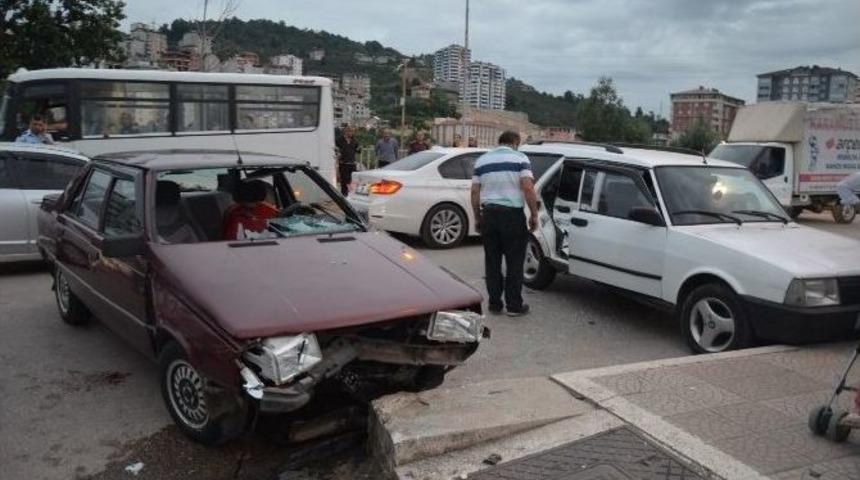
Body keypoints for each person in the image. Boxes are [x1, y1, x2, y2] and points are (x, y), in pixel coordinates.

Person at [470, 131, 539, 317]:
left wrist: (477, 217)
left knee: (492, 262)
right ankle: (514, 306)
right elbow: (527, 187)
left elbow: (475, 192)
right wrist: (534, 214)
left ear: (499, 142)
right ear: (515, 142)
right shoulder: (520, 158)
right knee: (514, 262)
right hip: (512, 216)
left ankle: (494, 304)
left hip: (489, 215)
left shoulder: (482, 160)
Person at [336, 126, 361, 196]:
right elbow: (336, 150)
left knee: (353, 181)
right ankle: (344, 196)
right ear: (346, 132)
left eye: (353, 132)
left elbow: (358, 151)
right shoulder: (339, 140)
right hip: (343, 163)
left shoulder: (354, 140)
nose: (352, 133)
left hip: (352, 163)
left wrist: (359, 149)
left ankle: (352, 195)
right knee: (344, 181)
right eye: (350, 131)